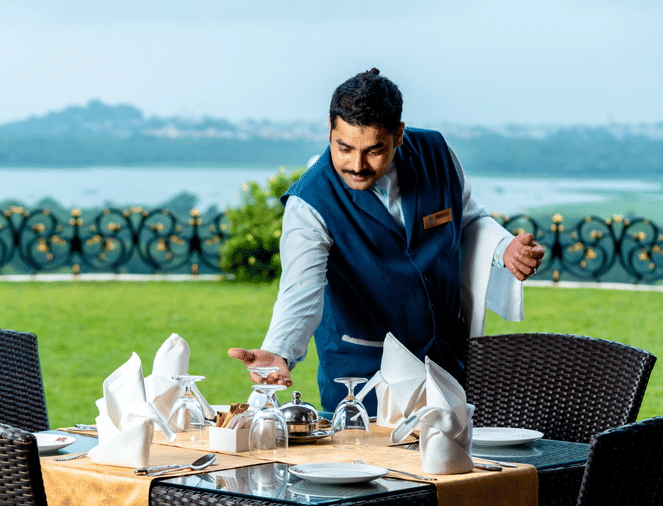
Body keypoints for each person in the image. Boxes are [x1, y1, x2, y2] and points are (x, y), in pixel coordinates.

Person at [228, 68, 544, 414]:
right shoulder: (309, 203)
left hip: (446, 362)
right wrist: (279, 350)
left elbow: (468, 218)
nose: (356, 165)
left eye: (374, 150)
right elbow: (300, 291)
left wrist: (504, 249)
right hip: (362, 382)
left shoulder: (437, 154)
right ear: (330, 132)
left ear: (399, 135)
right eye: (344, 147)